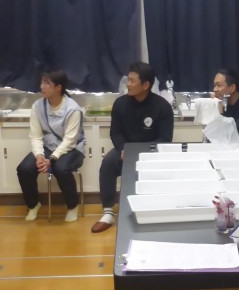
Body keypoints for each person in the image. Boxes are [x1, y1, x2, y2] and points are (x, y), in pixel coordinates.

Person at [90, 62, 173, 233]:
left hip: (151, 153)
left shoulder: (162, 106)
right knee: (108, 164)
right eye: (128, 79)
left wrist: (143, 153)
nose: (128, 84)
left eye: (132, 81)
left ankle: (153, 209)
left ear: (146, 85)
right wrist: (123, 149)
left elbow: (165, 139)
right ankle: (108, 212)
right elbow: (115, 133)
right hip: (125, 150)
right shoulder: (120, 104)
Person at [17, 70, 85, 222]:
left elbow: (70, 140)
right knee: (24, 169)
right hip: (48, 147)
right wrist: (39, 155)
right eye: (42, 82)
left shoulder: (73, 109)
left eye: (47, 83)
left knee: (61, 168)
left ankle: (72, 205)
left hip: (72, 149)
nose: (42, 86)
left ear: (58, 87)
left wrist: (52, 159)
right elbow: (36, 135)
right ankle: (33, 205)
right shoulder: (37, 106)